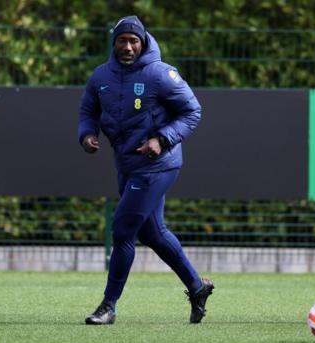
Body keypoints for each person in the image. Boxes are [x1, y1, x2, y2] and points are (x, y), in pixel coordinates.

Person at [79, 16, 214, 325]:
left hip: (158, 165)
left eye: (133, 41)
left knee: (123, 230)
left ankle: (108, 307)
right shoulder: (101, 75)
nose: (127, 46)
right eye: (122, 40)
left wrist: (162, 139)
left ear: (142, 43)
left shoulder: (159, 74)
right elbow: (88, 110)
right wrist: (86, 134)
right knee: (152, 232)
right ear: (114, 43)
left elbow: (193, 110)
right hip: (126, 163)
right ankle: (197, 287)